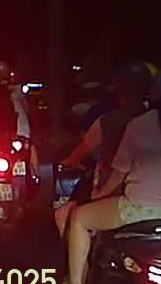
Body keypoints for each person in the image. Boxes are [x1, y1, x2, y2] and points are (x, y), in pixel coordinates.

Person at [48, 71, 161, 284]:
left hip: (137, 208)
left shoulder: (138, 126)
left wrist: (100, 195)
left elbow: (119, 172)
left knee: (80, 218)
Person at [54, 61, 154, 237]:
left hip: (119, 198)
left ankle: (81, 256)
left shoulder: (107, 123)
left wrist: (66, 163)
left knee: (66, 215)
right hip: (159, 198)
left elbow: (82, 154)